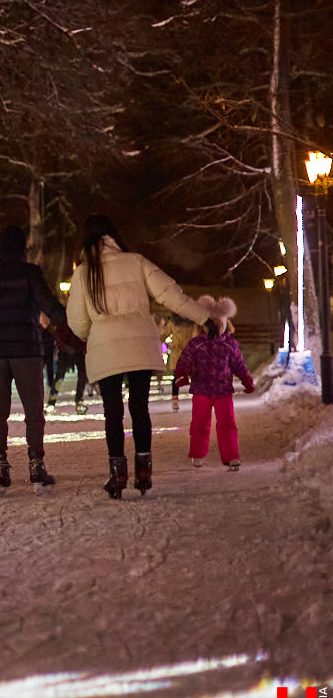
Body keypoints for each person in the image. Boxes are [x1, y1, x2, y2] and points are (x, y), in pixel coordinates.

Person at [66, 213, 215, 499]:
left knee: (113, 412)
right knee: (139, 408)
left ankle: (117, 474)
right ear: (113, 235)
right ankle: (144, 470)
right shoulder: (135, 262)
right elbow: (170, 294)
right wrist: (204, 318)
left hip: (106, 347)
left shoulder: (84, 273)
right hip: (140, 344)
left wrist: (93, 332)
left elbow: (76, 321)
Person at [0, 225, 67, 492]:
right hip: (26, 351)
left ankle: (0, 466)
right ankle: (36, 466)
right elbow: (47, 304)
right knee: (33, 412)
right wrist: (70, 323)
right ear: (22, 247)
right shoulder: (30, 273)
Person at [174, 296, 253, 471]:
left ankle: (232, 456)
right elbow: (184, 360)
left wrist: (246, 379)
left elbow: (239, 364)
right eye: (211, 323)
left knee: (227, 424)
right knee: (200, 423)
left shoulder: (230, 344)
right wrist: (181, 374)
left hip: (223, 391)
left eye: (218, 323)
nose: (214, 327)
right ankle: (198, 452)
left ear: (224, 324)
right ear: (203, 324)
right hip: (201, 390)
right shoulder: (197, 344)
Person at [164, 312, 197, 412]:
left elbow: (196, 335)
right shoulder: (173, 322)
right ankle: (175, 399)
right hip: (177, 353)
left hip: (189, 353)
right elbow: (166, 333)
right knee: (177, 377)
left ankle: (198, 397)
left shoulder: (192, 323)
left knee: (194, 375)